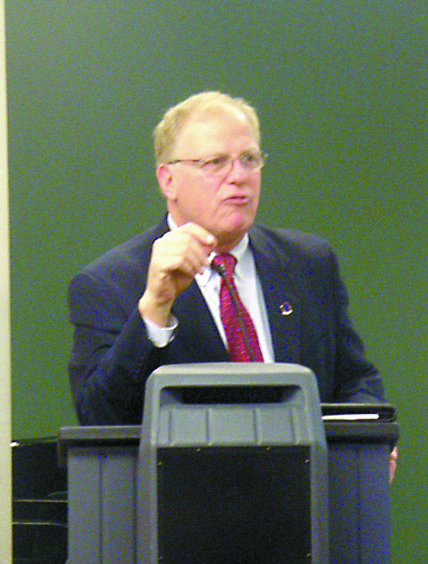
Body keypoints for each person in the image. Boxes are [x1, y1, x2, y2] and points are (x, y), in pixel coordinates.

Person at [68, 91, 388, 431]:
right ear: (168, 180)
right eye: (215, 162)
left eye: (249, 159)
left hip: (304, 465)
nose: (239, 176)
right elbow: (100, 419)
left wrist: (371, 439)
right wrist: (155, 310)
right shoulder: (110, 284)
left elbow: (355, 380)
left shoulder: (307, 263)